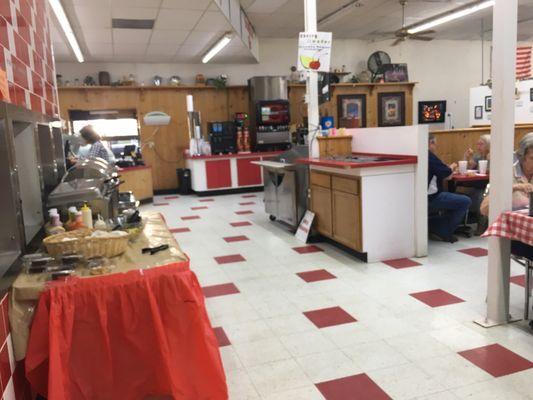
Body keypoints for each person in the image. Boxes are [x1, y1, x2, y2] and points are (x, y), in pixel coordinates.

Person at [428, 134, 472, 243]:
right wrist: (451, 167)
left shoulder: (419, 153)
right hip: (431, 197)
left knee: (453, 198)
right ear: (431, 143)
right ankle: (444, 230)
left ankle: (437, 225)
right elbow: (446, 173)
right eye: (435, 144)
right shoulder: (429, 156)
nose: (436, 147)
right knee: (465, 201)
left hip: (419, 196)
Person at [480, 132, 533, 216]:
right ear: (522, 157)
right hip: (507, 224)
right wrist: (513, 188)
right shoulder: (506, 171)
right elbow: (484, 209)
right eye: (532, 158)